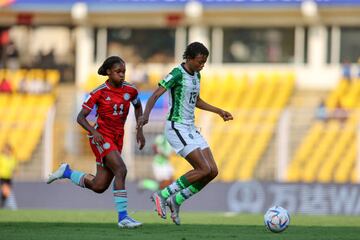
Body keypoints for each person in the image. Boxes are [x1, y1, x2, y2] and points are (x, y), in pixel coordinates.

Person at [137, 42, 233, 225]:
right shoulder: (177, 73)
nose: (202, 65)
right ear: (189, 58)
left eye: (204, 62)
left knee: (212, 171)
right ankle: (162, 195)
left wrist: (218, 111)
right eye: (199, 61)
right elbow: (155, 94)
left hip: (191, 128)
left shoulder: (197, 74)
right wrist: (145, 116)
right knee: (202, 169)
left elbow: (195, 100)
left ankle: (176, 200)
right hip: (177, 127)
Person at [47, 56, 145, 228]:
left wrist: (140, 129)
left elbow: (137, 106)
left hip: (117, 138)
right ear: (108, 72)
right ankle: (123, 218)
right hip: (101, 136)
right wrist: (93, 131)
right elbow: (80, 117)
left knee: (99, 185)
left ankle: (67, 172)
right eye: (118, 72)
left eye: (124, 72)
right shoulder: (98, 92)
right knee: (121, 169)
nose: (122, 75)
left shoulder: (131, 90)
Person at [0, 143, 17, 209]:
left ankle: (2, 207)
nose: (7, 151)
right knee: (7, 192)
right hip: (2, 177)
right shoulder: (1, 158)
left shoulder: (12, 158)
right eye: (6, 150)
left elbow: (14, 167)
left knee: (4, 195)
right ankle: (13, 207)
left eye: (9, 150)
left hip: (9, 178)